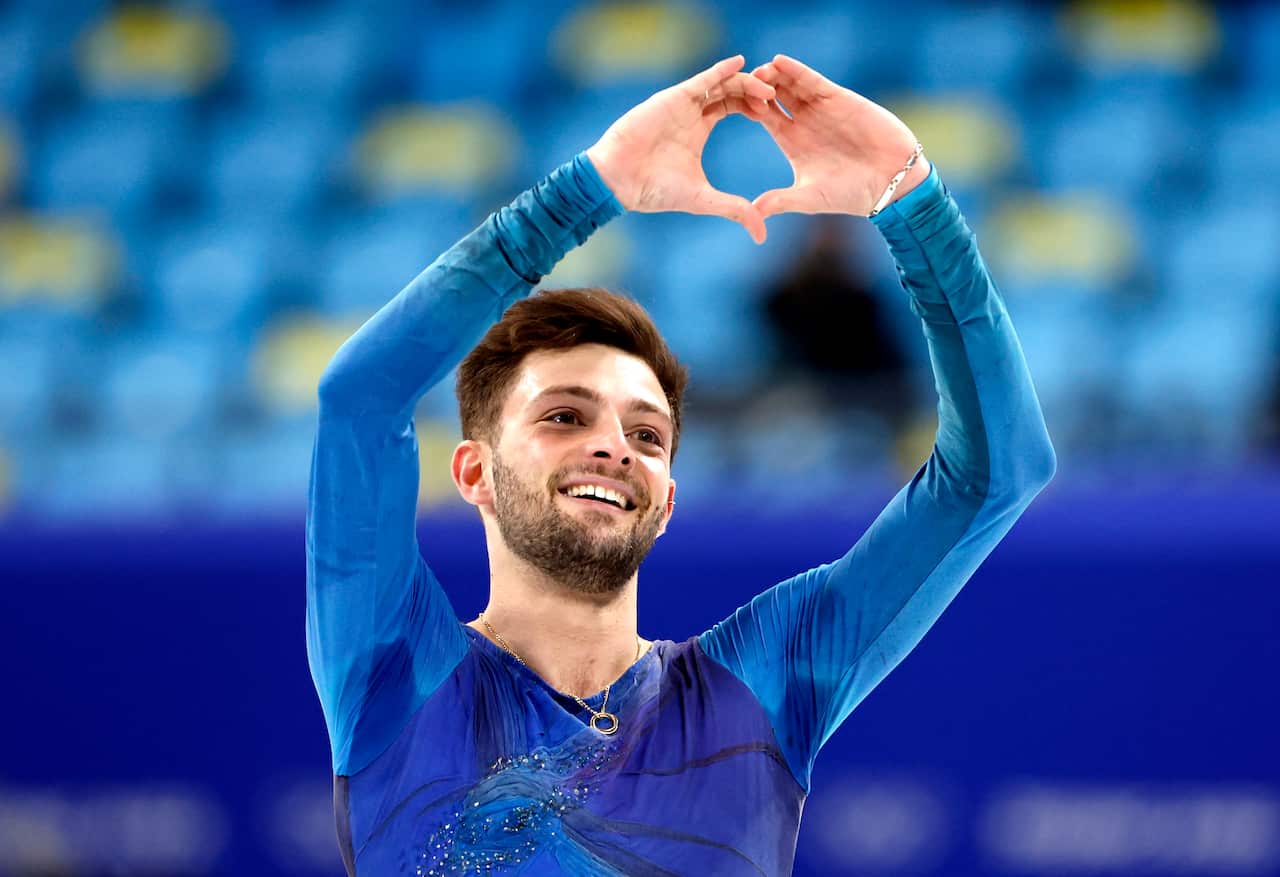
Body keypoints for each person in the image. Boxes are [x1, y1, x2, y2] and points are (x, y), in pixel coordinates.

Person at [306, 54, 1055, 876]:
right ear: (474, 472)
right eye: (564, 415)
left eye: (649, 435)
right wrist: (588, 192)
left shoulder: (760, 684)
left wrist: (911, 201)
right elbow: (361, 400)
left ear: (666, 501)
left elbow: (995, 472)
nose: (613, 446)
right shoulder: (398, 673)